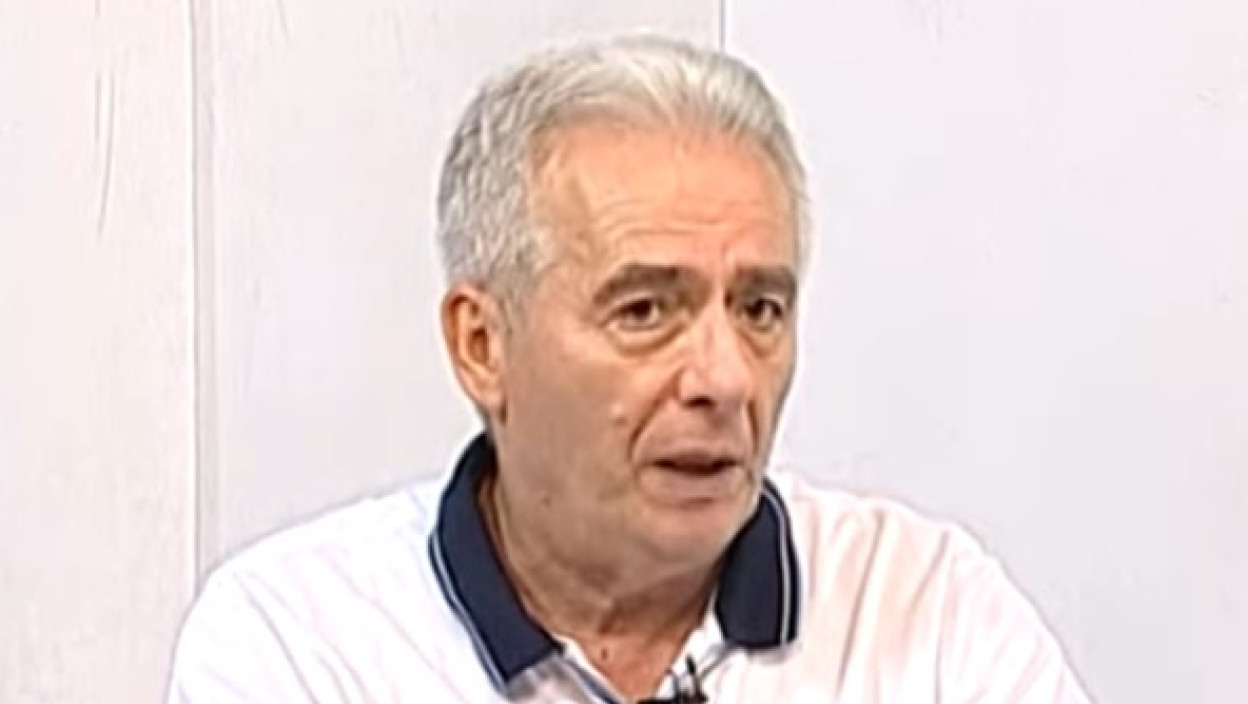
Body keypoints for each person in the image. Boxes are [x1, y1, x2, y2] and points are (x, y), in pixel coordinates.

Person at [166, 35, 1091, 703]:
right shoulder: (300, 641)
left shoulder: (926, 608)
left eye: (760, 310)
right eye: (646, 310)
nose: (726, 378)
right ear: (482, 345)